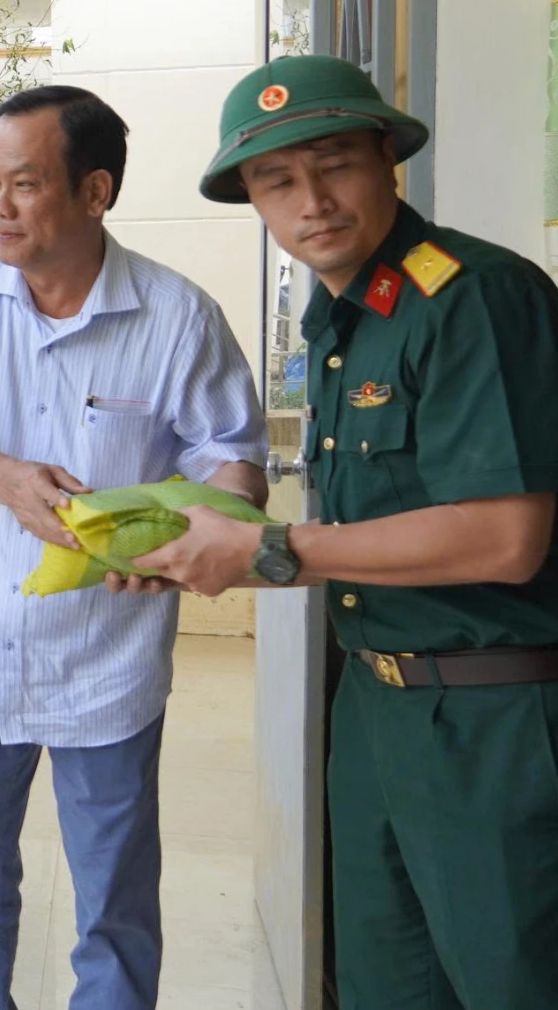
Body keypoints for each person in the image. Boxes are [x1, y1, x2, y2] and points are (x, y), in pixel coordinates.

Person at [130, 55, 558, 1009]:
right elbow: (377, 525)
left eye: (334, 166)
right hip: (377, 706)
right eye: (277, 181)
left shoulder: (475, 297)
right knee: (385, 984)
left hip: (495, 719)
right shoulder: (343, 322)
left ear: (386, 161)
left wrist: (273, 550)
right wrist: (188, 544)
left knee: (512, 983)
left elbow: (506, 537)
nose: (311, 202)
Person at [0, 85, 267, 1009]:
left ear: (95, 192)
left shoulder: (177, 317)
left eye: (24, 184)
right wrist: (11, 480)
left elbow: (233, 458)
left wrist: (200, 529)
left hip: (109, 664)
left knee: (114, 901)